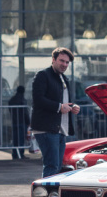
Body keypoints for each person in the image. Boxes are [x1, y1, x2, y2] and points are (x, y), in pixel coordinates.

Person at [31, 47, 80, 179]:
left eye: (67, 62)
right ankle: (46, 196)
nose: (64, 64)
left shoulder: (63, 78)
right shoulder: (43, 75)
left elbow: (65, 101)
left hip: (59, 130)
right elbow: (38, 99)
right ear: (53, 60)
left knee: (57, 166)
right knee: (52, 166)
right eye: (61, 61)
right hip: (46, 129)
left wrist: (73, 106)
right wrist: (59, 107)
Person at [8, 85, 29, 160]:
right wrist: (28, 121)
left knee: (15, 139)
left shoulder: (12, 100)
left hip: (14, 122)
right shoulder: (22, 100)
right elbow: (25, 112)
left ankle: (14, 154)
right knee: (21, 139)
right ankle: (21, 154)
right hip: (22, 122)